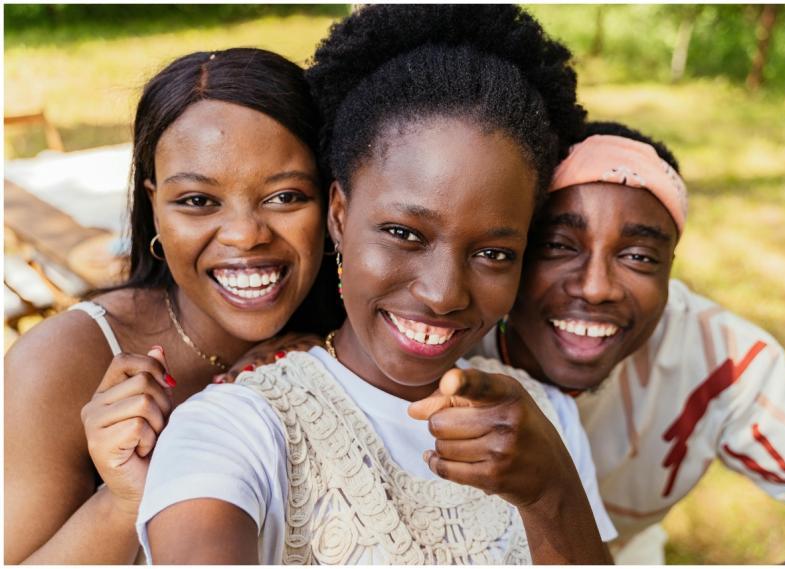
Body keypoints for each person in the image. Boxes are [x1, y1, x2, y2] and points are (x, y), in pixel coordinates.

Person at [136, 5, 617, 564]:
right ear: (339, 215)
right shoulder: (238, 428)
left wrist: (551, 494)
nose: (443, 294)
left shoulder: (545, 420)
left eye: (493, 253)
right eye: (404, 234)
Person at [4, 48, 342, 564]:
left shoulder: (361, 332)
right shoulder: (57, 365)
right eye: (198, 201)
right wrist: (125, 499)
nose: (245, 234)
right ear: (155, 207)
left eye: (285, 196)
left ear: (333, 205)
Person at [469, 121, 785, 564]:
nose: (595, 287)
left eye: (639, 256)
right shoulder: (454, 334)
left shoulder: (712, 355)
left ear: (671, 269)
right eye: (557, 245)